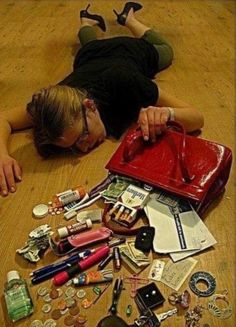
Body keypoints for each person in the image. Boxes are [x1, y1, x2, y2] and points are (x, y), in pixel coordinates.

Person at [0, 2, 204, 197]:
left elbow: (196, 117)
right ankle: (86, 22)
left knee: (165, 50)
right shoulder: (55, 104)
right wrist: (2, 154)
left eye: (83, 135)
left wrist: (166, 113)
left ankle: (129, 19)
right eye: (73, 147)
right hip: (89, 55)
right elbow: (3, 118)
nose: (83, 148)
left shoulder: (126, 82)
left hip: (129, 50)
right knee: (91, 45)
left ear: (90, 106)